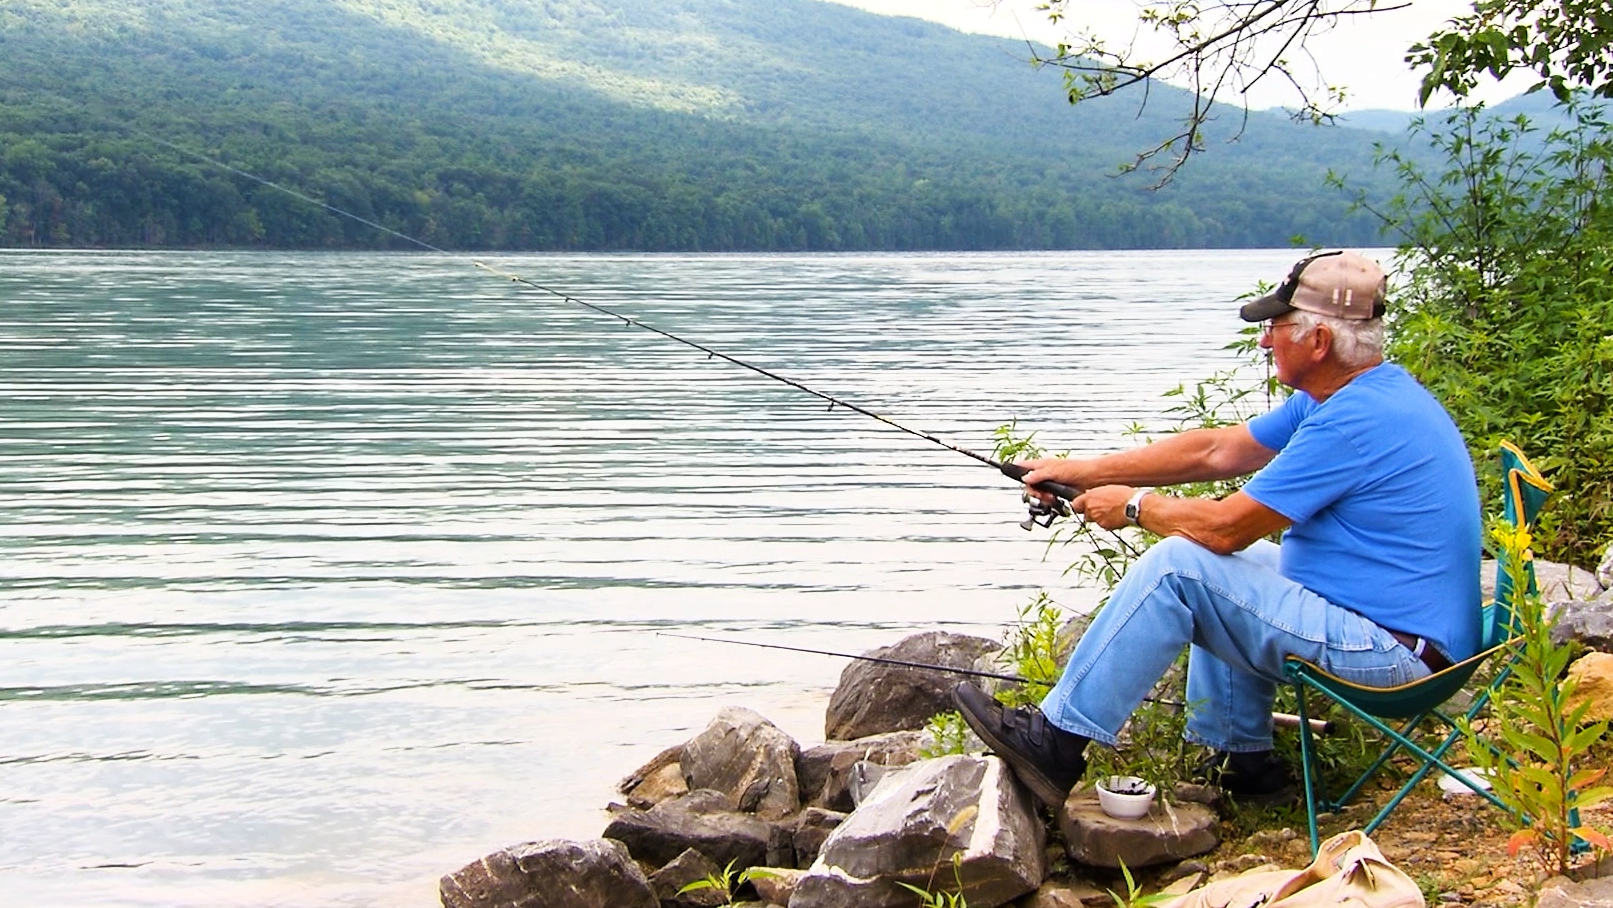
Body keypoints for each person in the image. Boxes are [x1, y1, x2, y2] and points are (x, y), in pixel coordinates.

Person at [953, 249, 1482, 807]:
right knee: (1210, 562)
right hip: (1408, 638)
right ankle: (1241, 763)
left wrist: (1134, 507)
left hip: (1395, 658)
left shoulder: (1353, 422)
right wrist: (1078, 471)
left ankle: (1057, 745)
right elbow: (1216, 451)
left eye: (1275, 327)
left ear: (1319, 341)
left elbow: (1227, 529)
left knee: (1181, 567)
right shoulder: (1359, 394)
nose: (1263, 341)